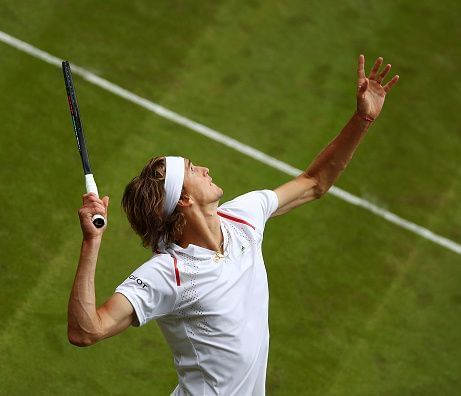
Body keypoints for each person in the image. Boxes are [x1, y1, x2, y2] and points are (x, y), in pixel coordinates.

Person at [67, 54, 399, 395]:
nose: (206, 169)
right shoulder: (170, 274)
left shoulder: (243, 217)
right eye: (194, 170)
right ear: (183, 200)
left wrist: (362, 120)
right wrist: (92, 242)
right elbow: (86, 331)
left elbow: (315, 182)